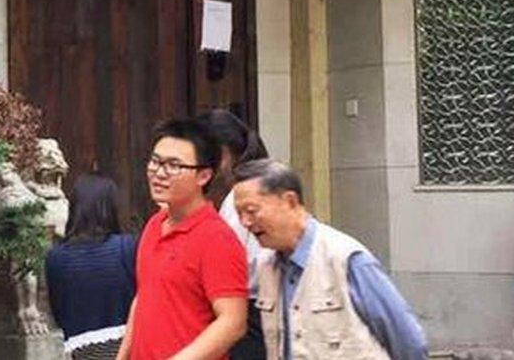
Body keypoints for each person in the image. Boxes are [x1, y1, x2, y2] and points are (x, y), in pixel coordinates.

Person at [232, 158, 428, 359]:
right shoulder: (265, 266)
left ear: (290, 201)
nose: (245, 222)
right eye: (239, 214)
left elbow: (407, 340)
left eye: (251, 211)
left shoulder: (345, 259)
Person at [117, 118, 248, 360]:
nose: (159, 172)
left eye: (174, 165)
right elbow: (144, 296)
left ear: (204, 176)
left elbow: (233, 321)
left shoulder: (217, 238)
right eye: (155, 161)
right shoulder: (154, 224)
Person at [196, 109, 269, 360]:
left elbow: (231, 260)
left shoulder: (238, 198)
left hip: (252, 310)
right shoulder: (255, 184)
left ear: (224, 151)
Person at [46, 173, 137, 359]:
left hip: (82, 350)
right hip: (127, 347)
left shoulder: (55, 257)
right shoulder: (127, 247)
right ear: (110, 207)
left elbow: (58, 312)